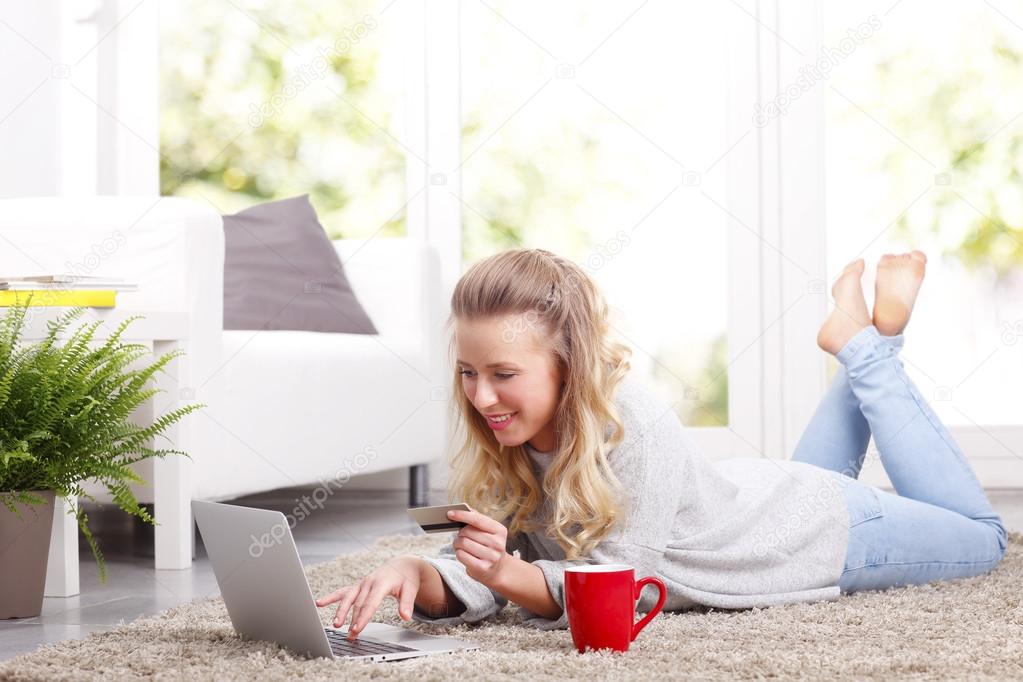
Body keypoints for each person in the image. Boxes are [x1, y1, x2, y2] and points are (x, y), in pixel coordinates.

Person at [316, 248, 1008, 640]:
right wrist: (422, 573)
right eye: (468, 373)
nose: (481, 397)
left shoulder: (631, 423)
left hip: (819, 532)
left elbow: (615, 598)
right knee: (824, 474)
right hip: (759, 497)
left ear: (569, 363)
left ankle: (868, 348)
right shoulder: (506, 430)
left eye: (503, 375)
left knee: (983, 538)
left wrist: (503, 575)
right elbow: (490, 563)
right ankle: (867, 338)